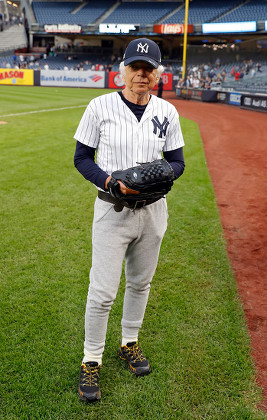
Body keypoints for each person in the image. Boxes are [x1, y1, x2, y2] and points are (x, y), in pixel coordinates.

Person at [73, 37, 185, 403]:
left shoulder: (167, 112)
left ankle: (129, 343)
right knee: (102, 292)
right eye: (135, 67)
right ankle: (91, 360)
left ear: (157, 74)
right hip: (112, 209)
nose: (142, 74)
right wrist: (110, 181)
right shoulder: (99, 106)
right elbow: (82, 158)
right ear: (122, 71)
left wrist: (161, 176)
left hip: (153, 212)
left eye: (148, 68)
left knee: (140, 283)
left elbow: (178, 161)